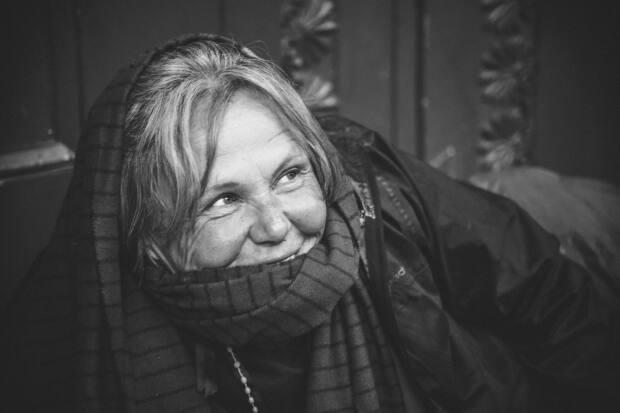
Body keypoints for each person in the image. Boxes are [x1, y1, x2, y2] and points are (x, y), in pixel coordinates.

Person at [2, 33, 619, 413]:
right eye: (222, 200)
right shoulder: (75, 338)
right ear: (150, 236)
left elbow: (554, 299)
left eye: (290, 174)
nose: (278, 224)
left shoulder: (375, 195)